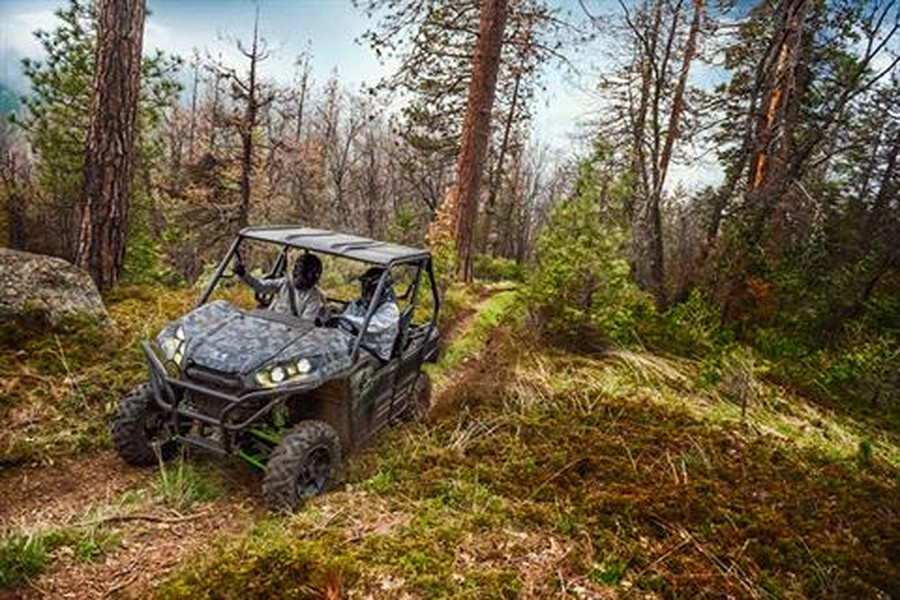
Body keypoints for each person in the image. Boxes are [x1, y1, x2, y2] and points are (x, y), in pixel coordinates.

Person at [234, 252, 326, 321]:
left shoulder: (314, 297)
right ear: (295, 272)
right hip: (270, 322)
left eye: (304, 276)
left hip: (289, 332)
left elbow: (304, 324)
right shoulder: (285, 282)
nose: (300, 279)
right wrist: (243, 274)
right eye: (299, 275)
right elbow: (260, 286)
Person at [339, 267, 400, 361]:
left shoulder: (390, 310)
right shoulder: (359, 303)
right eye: (364, 286)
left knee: (341, 368)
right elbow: (344, 322)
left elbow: (370, 326)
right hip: (354, 346)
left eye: (369, 289)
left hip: (376, 355)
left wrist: (345, 318)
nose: (365, 291)